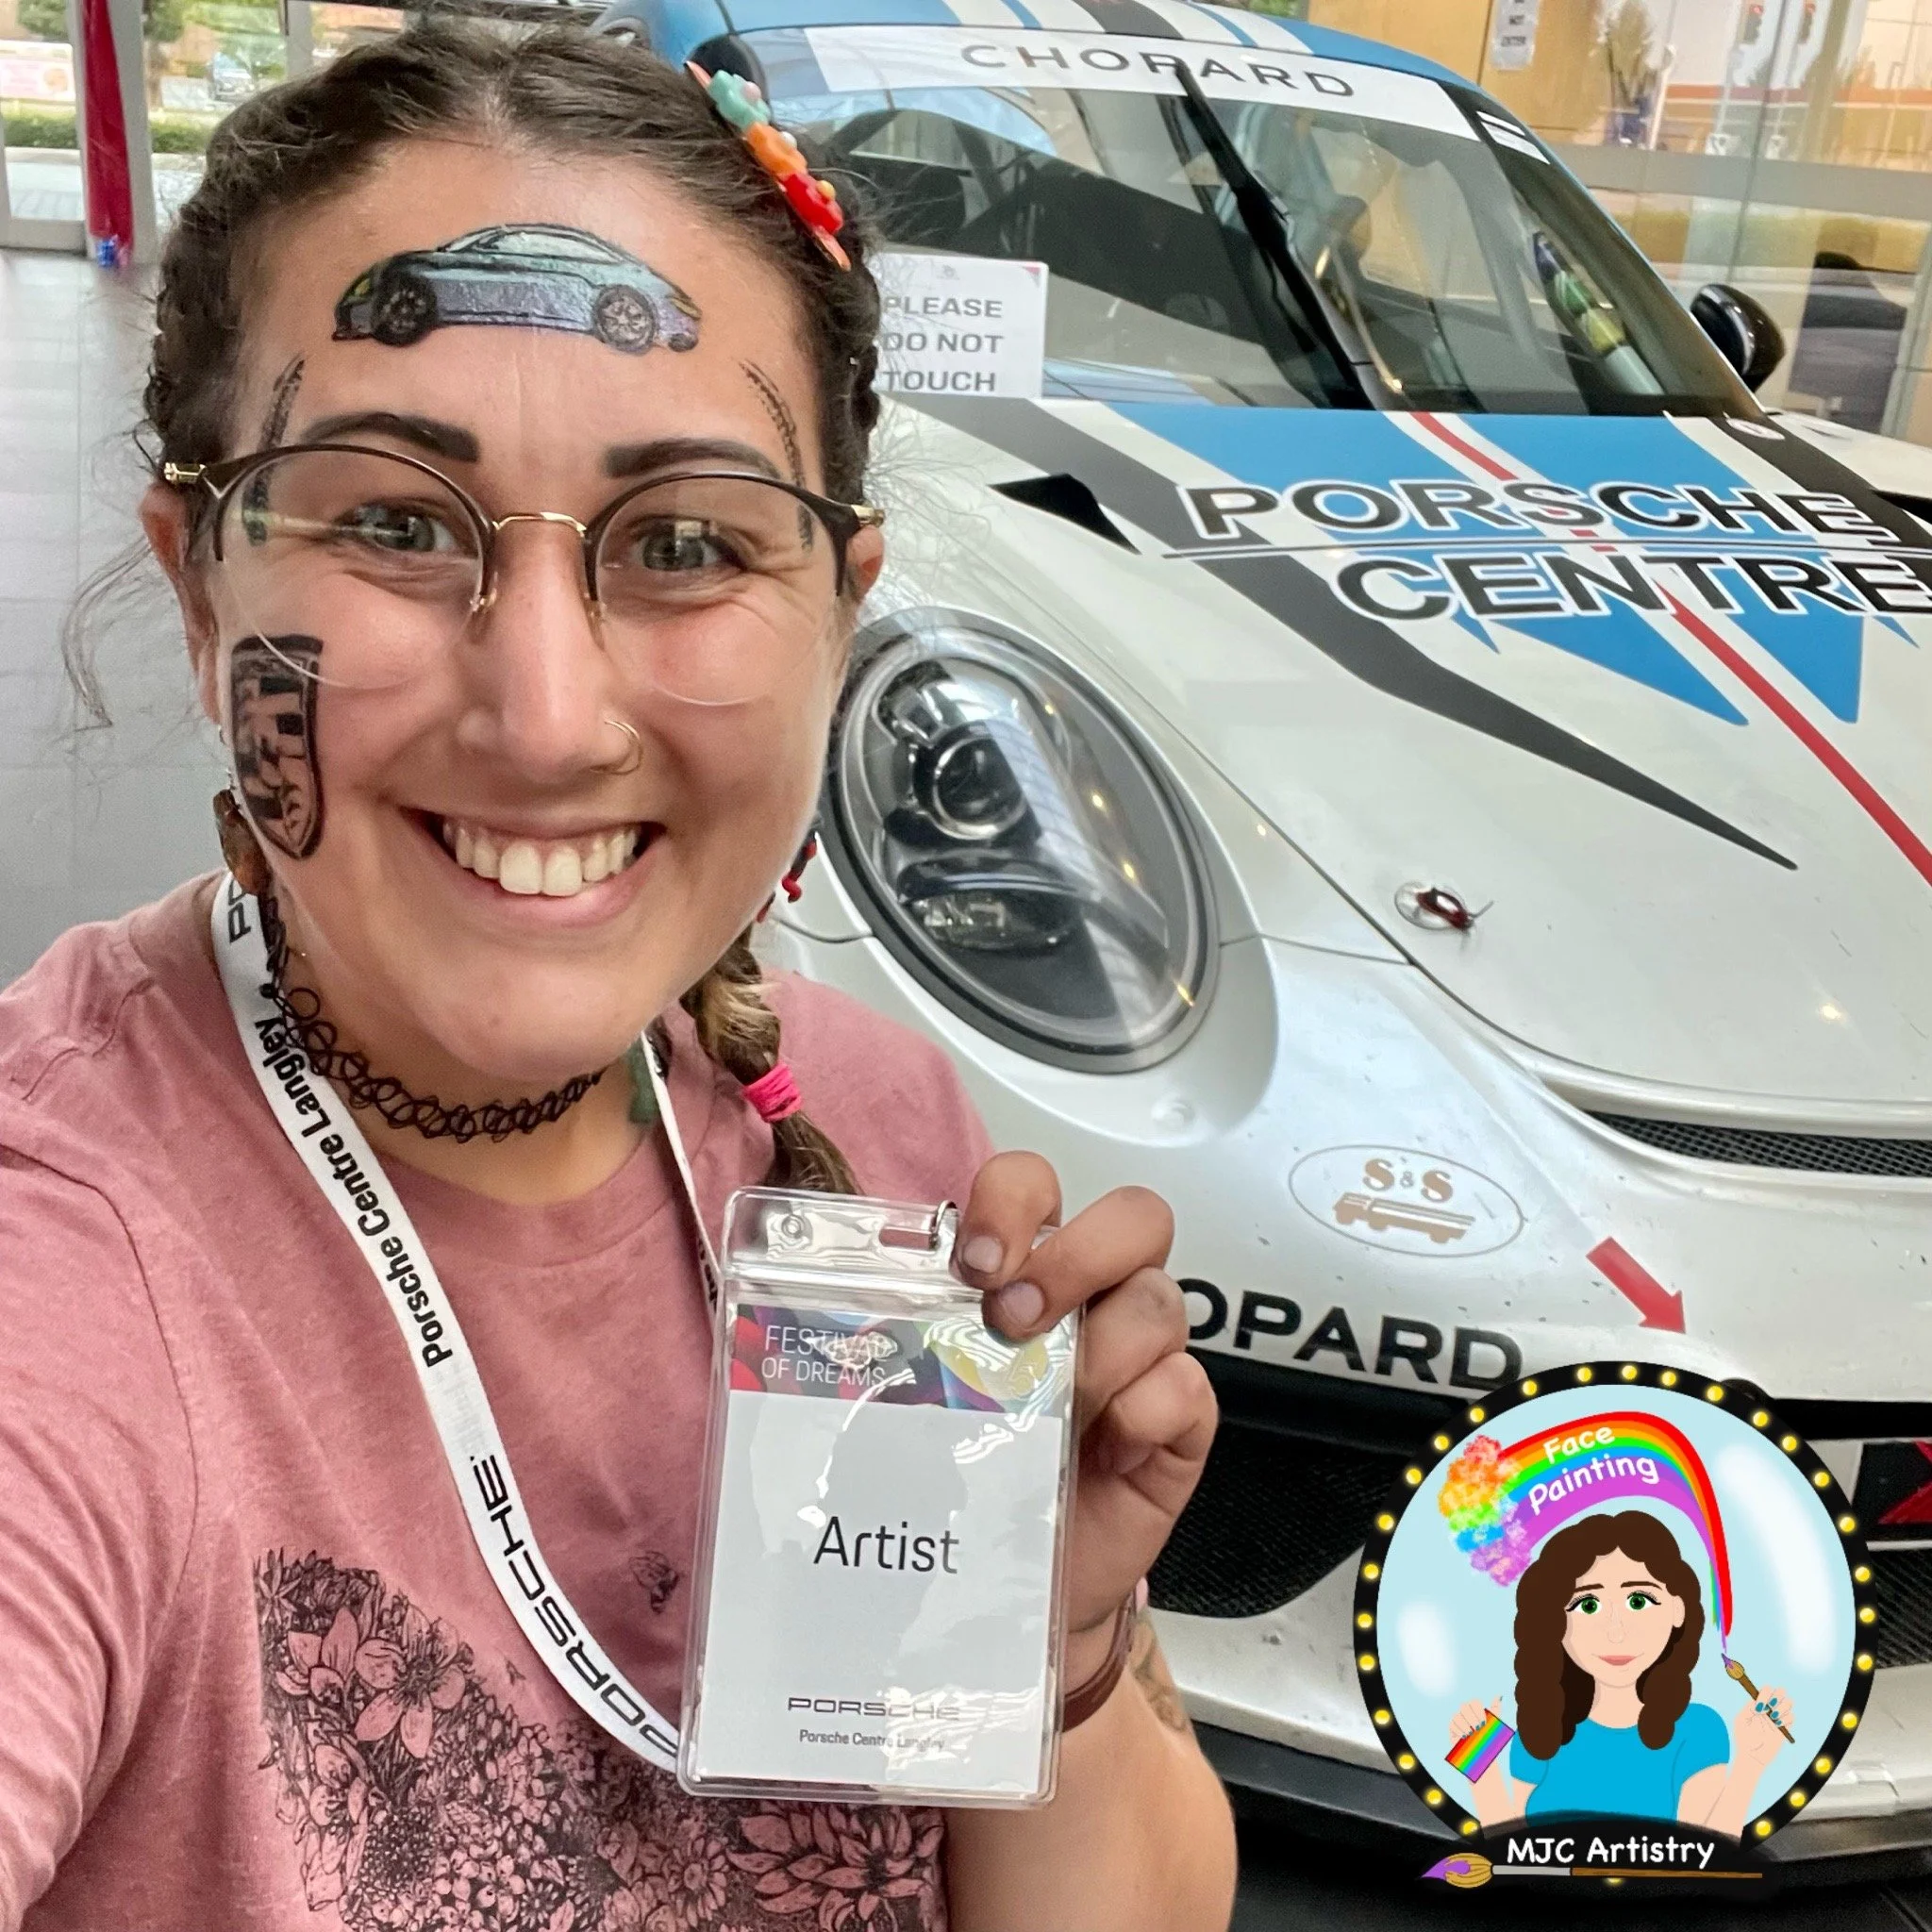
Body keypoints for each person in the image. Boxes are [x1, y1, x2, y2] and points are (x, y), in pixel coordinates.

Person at [0, 24, 1236, 1932]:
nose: (547, 715)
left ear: (843, 607)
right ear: (200, 586)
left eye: (685, 543)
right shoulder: (62, 1252)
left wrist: (1043, 1645)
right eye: (395, 521)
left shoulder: (881, 1153)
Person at [1447, 1510, 1790, 1832]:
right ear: (1555, 1622)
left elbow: (1703, 1858)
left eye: (1638, 1601)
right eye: (1588, 1605)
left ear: (1677, 1609)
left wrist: (1751, 1764)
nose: (1615, 1632)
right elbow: (1512, 1851)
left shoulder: (1700, 1731)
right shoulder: (1540, 1728)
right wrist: (1480, 1762)